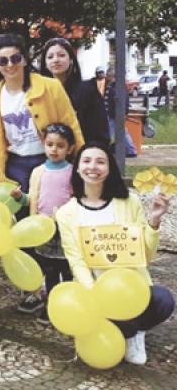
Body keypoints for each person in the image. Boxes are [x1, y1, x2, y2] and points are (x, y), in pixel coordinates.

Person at [56, 142, 174, 365]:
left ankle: (135, 332)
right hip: (96, 289)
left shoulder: (129, 202)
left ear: (110, 168)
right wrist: (94, 293)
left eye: (101, 161)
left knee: (163, 300)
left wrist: (155, 221)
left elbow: (144, 256)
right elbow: (76, 260)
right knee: (109, 313)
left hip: (130, 288)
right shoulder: (66, 213)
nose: (93, 167)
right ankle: (120, 331)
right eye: (87, 161)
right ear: (78, 168)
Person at [0, 34, 85, 193]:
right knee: (20, 213)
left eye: (15, 58)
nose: (9, 65)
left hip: (50, 161)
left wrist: (83, 162)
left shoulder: (51, 87)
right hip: (15, 167)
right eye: (3, 61)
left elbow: (72, 126)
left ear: (24, 60)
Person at [26, 123, 76, 323]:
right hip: (44, 228)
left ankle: (69, 304)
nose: (54, 149)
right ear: (43, 145)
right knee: (50, 269)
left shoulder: (73, 171)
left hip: (65, 229)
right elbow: (32, 197)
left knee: (68, 268)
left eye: (60, 145)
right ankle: (50, 305)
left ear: (69, 148)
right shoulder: (38, 171)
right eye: (50, 144)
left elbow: (76, 197)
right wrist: (20, 198)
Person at [39, 38, 109, 144]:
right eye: (50, 57)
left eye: (61, 55)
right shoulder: (39, 93)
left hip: (81, 153)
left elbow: (100, 131)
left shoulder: (87, 90)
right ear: (45, 63)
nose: (56, 60)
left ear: (71, 59)